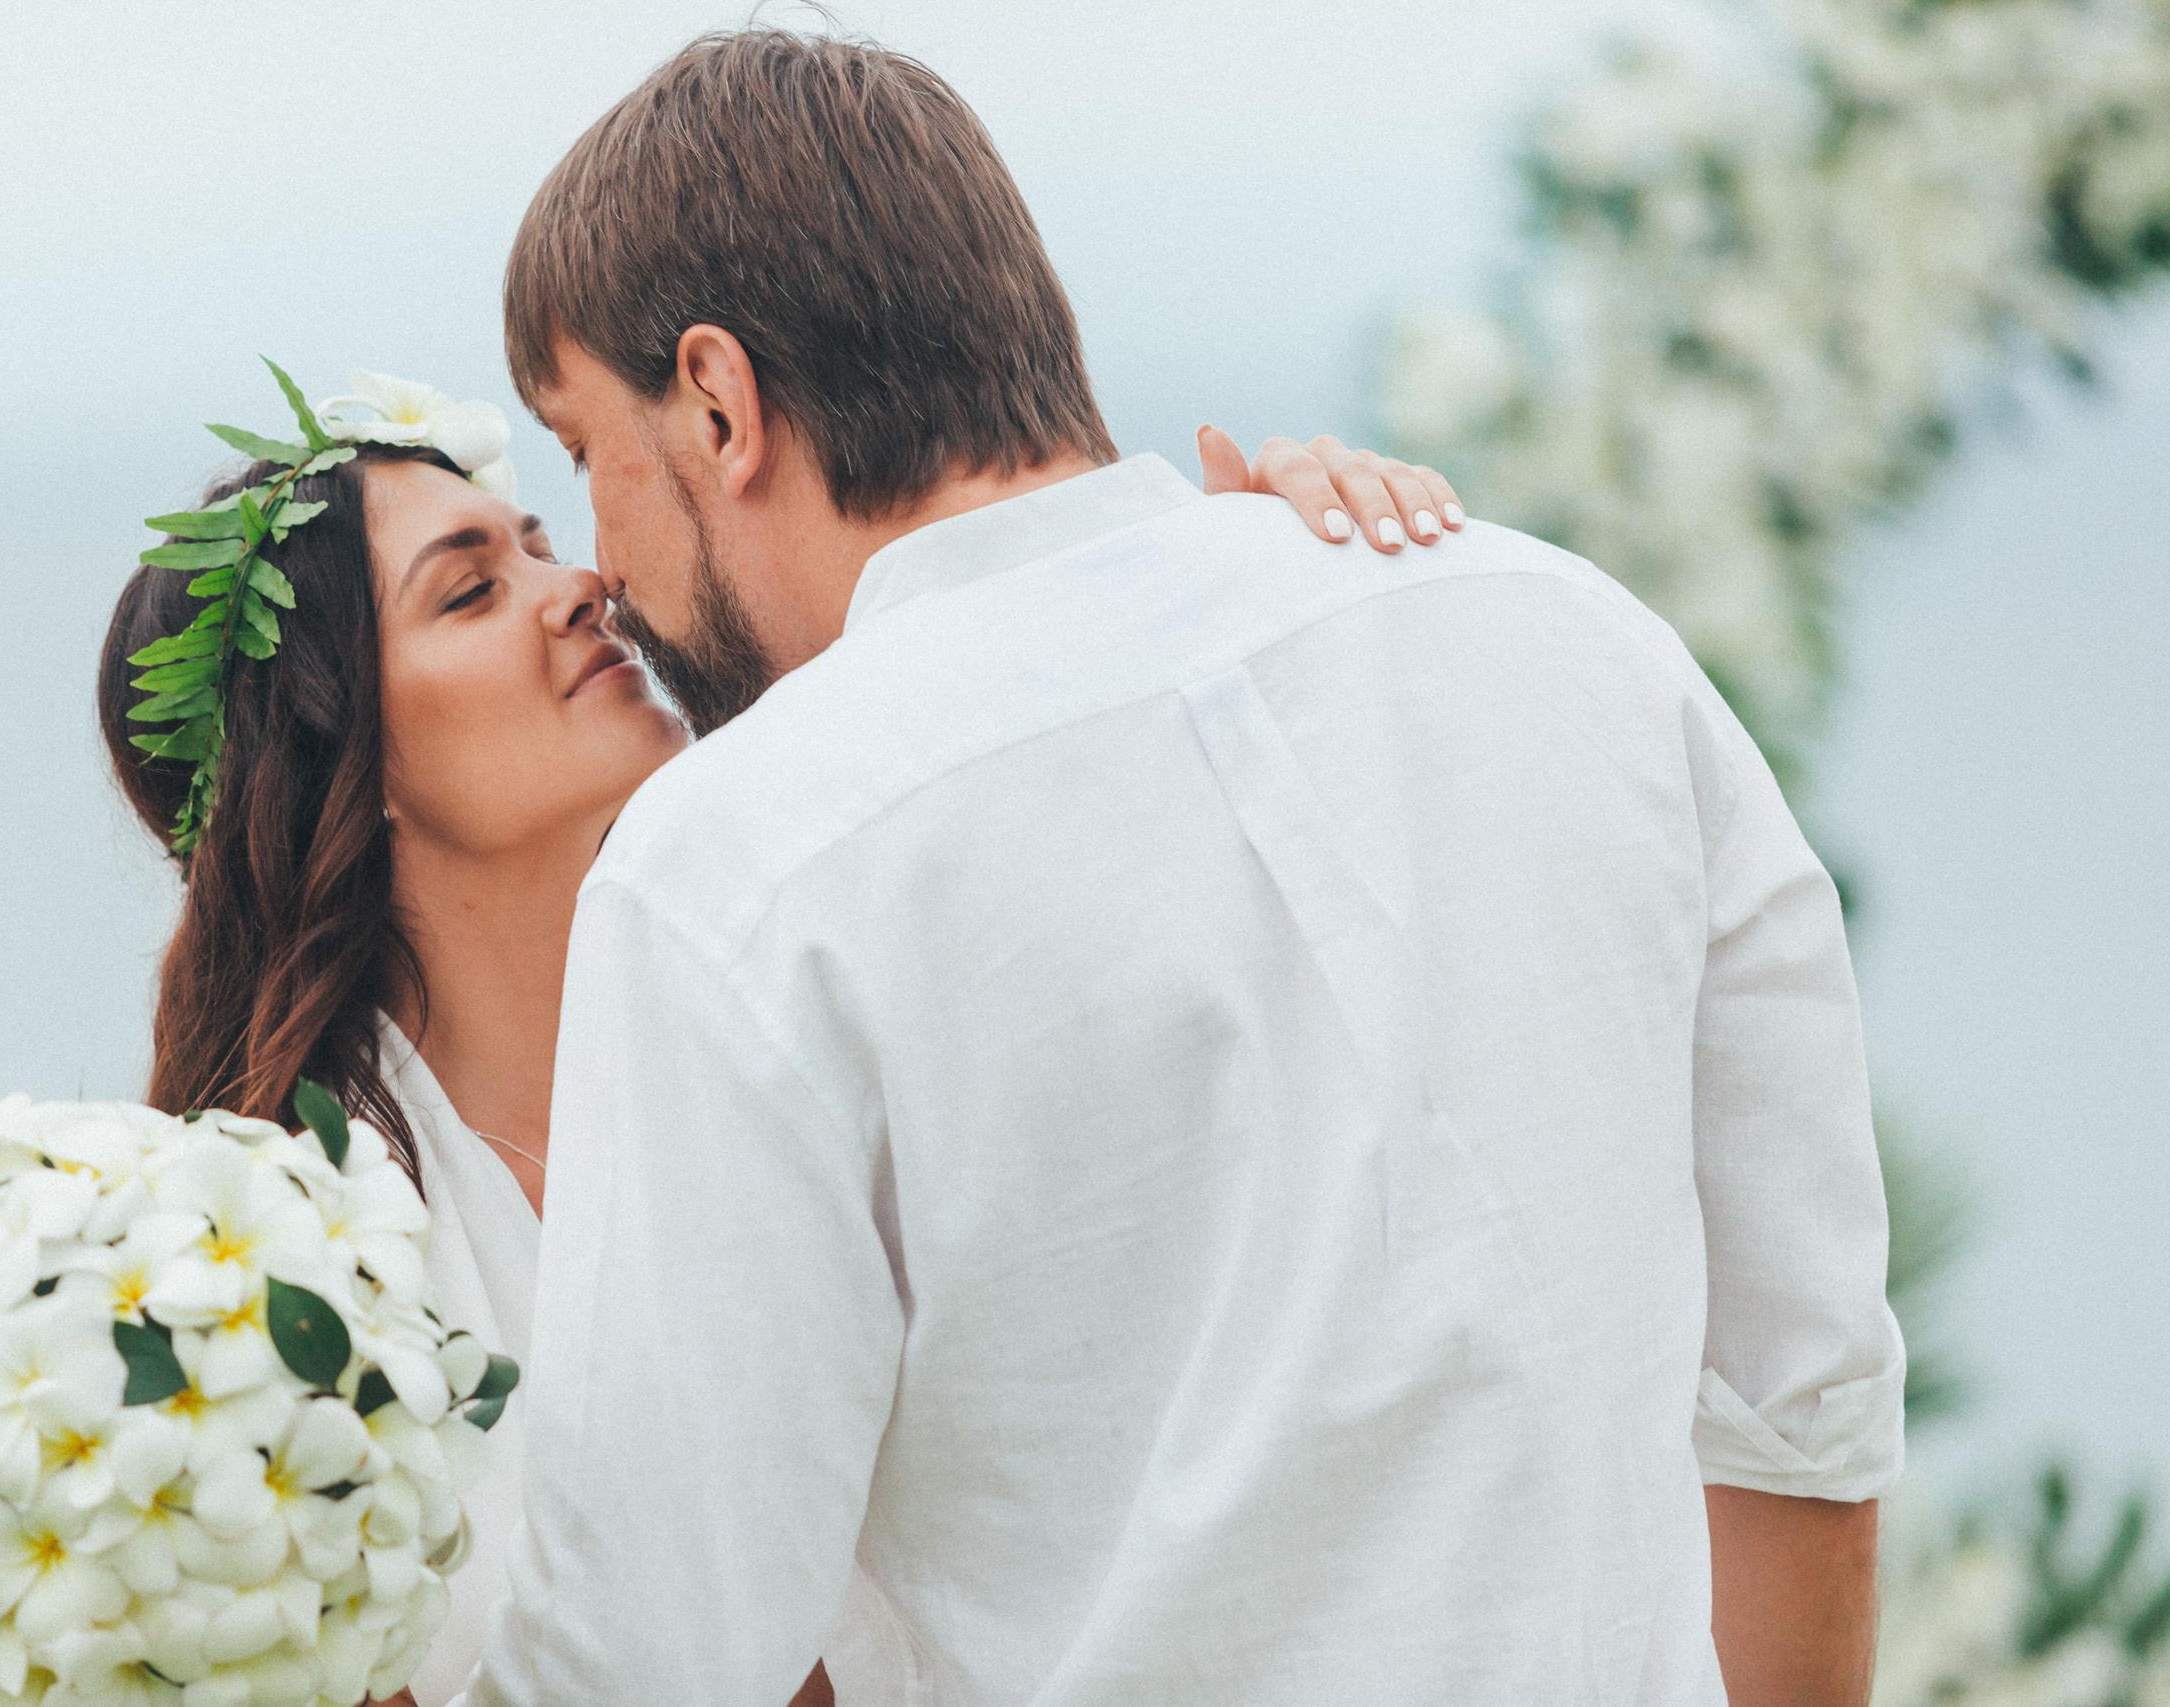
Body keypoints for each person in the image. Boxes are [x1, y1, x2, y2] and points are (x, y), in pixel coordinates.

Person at [463, 28, 1905, 1707]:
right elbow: (1806, 1426)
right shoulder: (1573, 636)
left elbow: (654, 1654)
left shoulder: (739, 867)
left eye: (585, 456)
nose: (607, 570)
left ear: (718, 401)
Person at [98, 378, 1451, 1703]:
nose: (579, 589)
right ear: (335, 760)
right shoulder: (277, 1273)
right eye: (469, 591)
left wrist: (1284, 567)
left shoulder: (826, 989)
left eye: (543, 546)